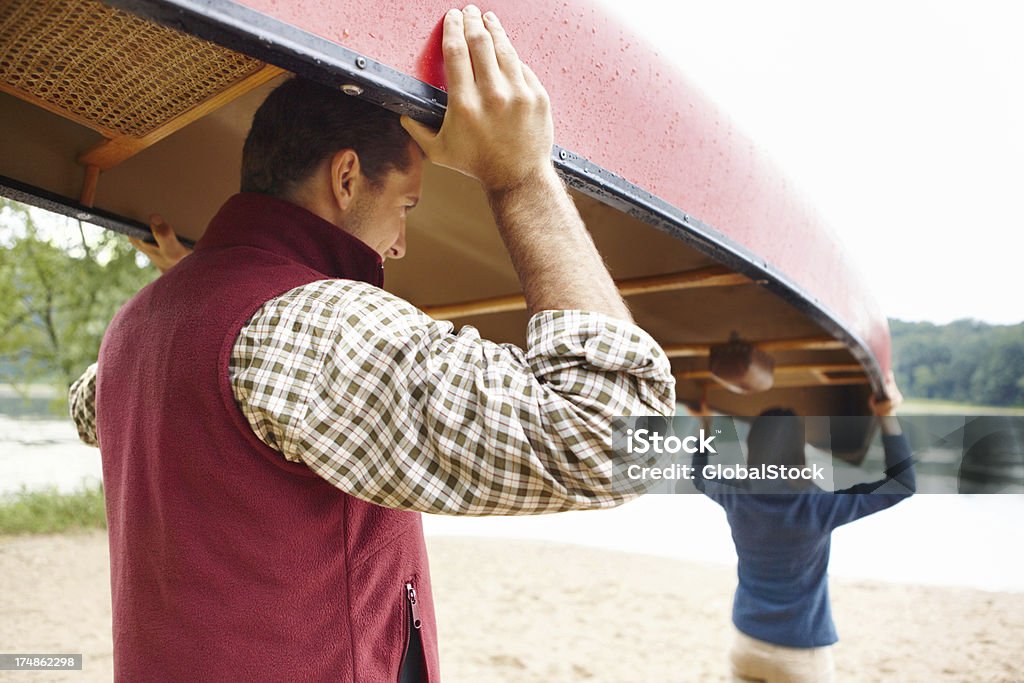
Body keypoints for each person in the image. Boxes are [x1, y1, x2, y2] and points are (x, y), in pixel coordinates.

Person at [67, 6, 674, 681]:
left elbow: (100, 408)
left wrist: (194, 280)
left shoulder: (134, 329)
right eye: (407, 205)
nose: (402, 243)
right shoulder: (319, 327)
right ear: (347, 176)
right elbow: (616, 439)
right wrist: (520, 175)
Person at [692, 379, 914, 683]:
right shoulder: (820, 505)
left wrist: (705, 424)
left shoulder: (735, 495)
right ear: (799, 449)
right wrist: (886, 415)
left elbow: (699, 474)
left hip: (747, 643)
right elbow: (901, 485)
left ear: (753, 445)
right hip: (799, 653)